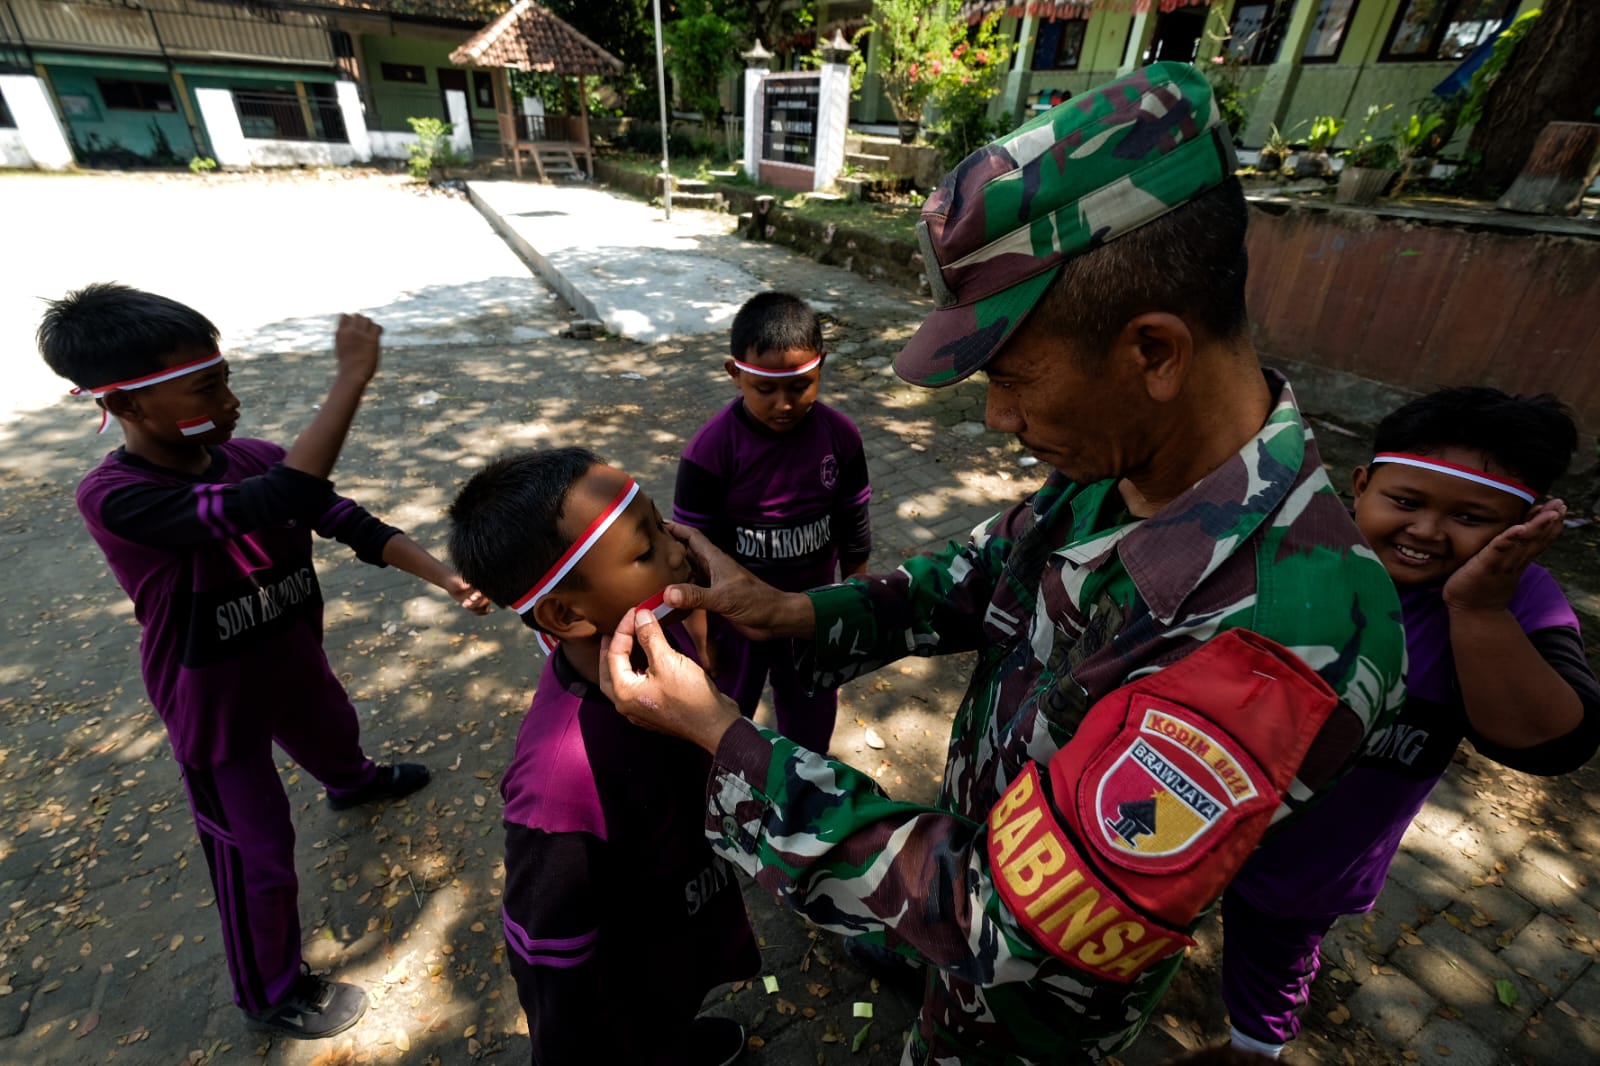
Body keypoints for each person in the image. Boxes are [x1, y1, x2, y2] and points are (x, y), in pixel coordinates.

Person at [596, 62, 1407, 1064]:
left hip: (1029, 1021)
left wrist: (721, 738)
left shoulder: (1283, 633)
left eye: (1013, 380)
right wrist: (794, 614)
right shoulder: (1124, 463)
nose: (999, 420)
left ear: (1152, 352)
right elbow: (978, 574)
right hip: (953, 924)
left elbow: (1003, 922)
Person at [37, 283, 491, 1038]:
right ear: (124, 404)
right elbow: (272, 499)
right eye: (206, 386)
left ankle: (354, 784)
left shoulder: (252, 455)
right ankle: (270, 988)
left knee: (333, 730)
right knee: (258, 856)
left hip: (288, 654)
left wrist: (443, 576)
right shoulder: (115, 497)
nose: (231, 398)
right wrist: (350, 379)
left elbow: (343, 518)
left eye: (225, 375)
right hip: (214, 700)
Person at [1220, 387, 1600, 1059]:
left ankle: (1252, 1051)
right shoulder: (1293, 545)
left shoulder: (1521, 601)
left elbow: (1553, 744)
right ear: (1361, 485)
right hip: (1199, 821)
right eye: (1405, 502)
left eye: (1472, 516)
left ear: (1525, 529)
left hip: (1313, 870)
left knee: (1271, 968)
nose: (1426, 531)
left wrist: (1478, 609)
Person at [447, 448, 758, 1066]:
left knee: (671, 1005)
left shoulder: (658, 639)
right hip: (620, 985)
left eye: (659, 524)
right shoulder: (558, 786)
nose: (678, 551)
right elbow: (551, 957)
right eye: (646, 552)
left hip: (676, 913)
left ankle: (673, 1040)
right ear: (566, 614)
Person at [673, 291, 872, 753]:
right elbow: (692, 554)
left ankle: (804, 799)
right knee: (725, 719)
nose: (784, 403)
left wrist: (856, 602)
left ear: (821, 369)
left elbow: (854, 525)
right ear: (735, 373)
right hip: (735, 623)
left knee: (811, 719)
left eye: (800, 386)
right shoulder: (710, 451)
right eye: (766, 389)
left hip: (812, 614)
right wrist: (701, 637)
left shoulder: (840, 437)